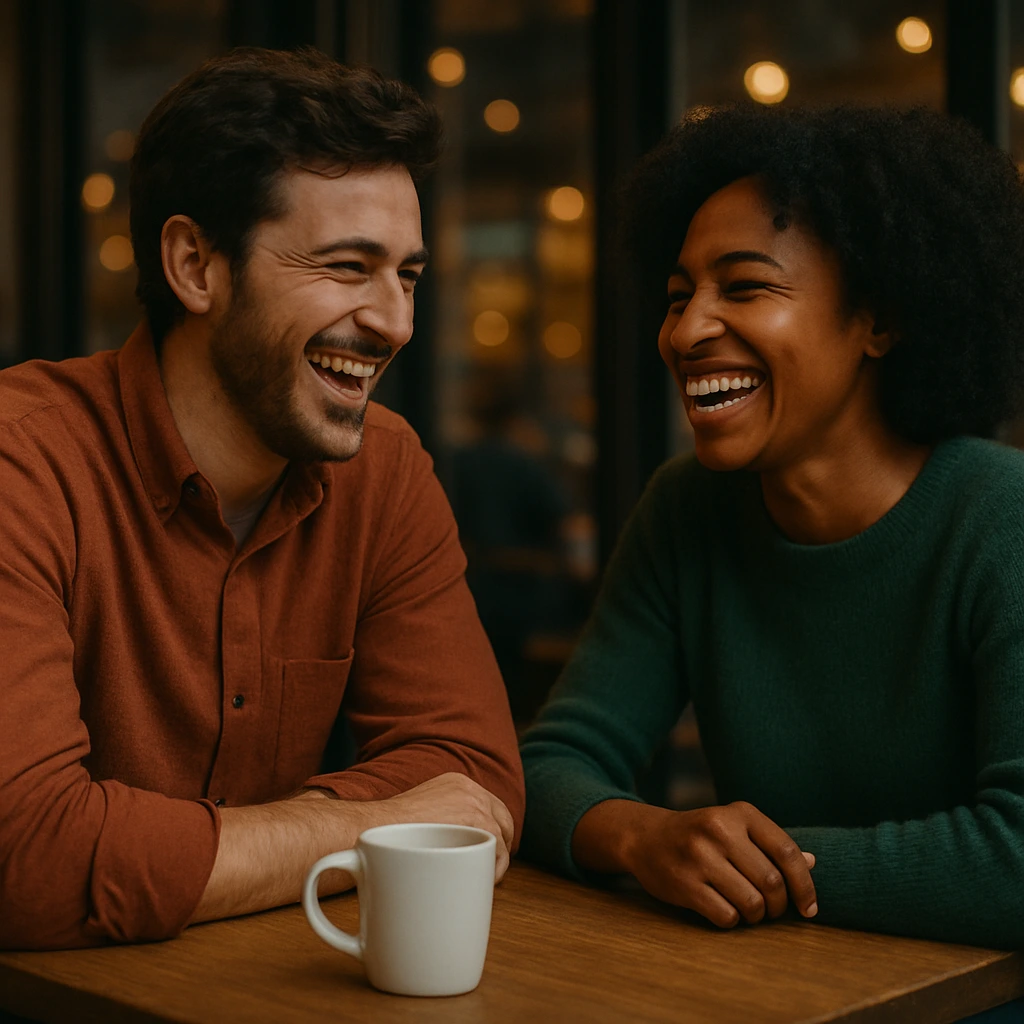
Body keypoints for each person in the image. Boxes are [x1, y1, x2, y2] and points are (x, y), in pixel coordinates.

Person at [0, 47, 523, 951]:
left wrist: (187, 856)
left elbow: (473, 776)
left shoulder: (387, 473)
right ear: (196, 266)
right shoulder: (23, 462)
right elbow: (28, 860)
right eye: (348, 265)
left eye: (406, 273)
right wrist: (360, 827)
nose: (396, 321)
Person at [519, 104, 1024, 958]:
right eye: (678, 298)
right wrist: (646, 837)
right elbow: (544, 768)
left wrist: (763, 872)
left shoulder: (1000, 518)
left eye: (745, 286)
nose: (685, 330)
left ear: (880, 318)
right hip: (776, 991)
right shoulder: (686, 510)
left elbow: (1015, 860)